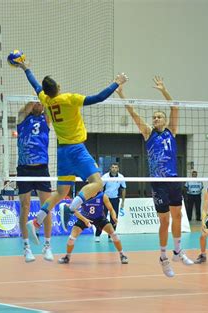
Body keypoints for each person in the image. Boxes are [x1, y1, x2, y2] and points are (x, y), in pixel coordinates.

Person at [14, 59, 128, 245]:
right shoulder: (69, 99)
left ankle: (35, 222)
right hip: (77, 149)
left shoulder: (46, 100)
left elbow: (35, 84)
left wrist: (24, 67)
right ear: (58, 87)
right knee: (97, 183)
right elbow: (98, 98)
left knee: (59, 193)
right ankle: (75, 204)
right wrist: (117, 82)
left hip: (62, 152)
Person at [118, 78, 193, 279]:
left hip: (174, 180)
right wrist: (121, 93)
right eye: (155, 117)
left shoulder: (172, 132)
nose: (157, 119)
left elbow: (175, 107)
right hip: (158, 182)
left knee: (177, 216)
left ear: (165, 120)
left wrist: (164, 90)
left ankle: (177, 251)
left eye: (159, 117)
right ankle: (163, 257)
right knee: (165, 220)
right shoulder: (148, 133)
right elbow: (132, 113)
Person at [16, 101, 53, 262]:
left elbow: (50, 105)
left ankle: (47, 246)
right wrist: (34, 101)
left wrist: (44, 101)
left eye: (41, 104)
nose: (39, 105)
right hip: (24, 169)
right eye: (36, 104)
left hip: (42, 168)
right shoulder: (23, 118)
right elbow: (25, 108)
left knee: (47, 207)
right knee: (25, 206)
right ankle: (26, 248)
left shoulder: (46, 119)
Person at [58, 191, 128, 264]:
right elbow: (73, 209)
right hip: (84, 218)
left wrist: (114, 217)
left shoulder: (102, 196)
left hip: (99, 218)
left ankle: (122, 255)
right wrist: (85, 220)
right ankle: (67, 257)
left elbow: (111, 209)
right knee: (71, 238)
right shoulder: (82, 195)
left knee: (114, 235)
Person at [96, 163, 126, 242]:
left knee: (114, 218)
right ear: (110, 168)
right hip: (105, 199)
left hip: (115, 199)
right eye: (112, 167)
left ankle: (111, 235)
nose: (114, 169)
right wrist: (99, 199)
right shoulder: (105, 177)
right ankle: (97, 235)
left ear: (118, 169)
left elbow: (123, 189)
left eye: (116, 167)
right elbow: (100, 188)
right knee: (102, 217)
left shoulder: (121, 177)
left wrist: (123, 201)